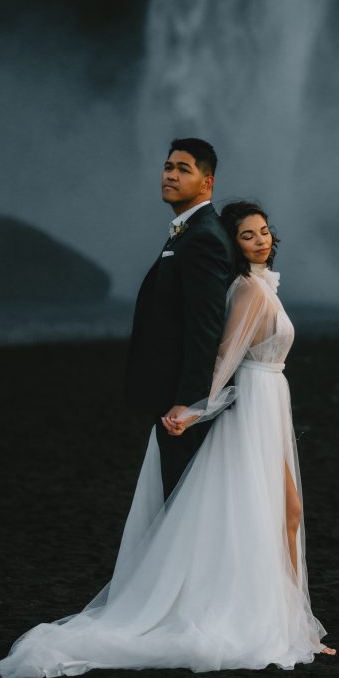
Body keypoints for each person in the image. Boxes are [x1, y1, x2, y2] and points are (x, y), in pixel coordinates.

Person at [0, 197, 334, 678]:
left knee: (285, 511)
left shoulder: (258, 287)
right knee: (281, 512)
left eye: (264, 232)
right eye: (248, 235)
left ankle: (299, 628)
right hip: (254, 404)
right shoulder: (249, 292)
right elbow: (224, 357)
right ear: (234, 246)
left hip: (269, 402)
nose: (261, 240)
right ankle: (293, 630)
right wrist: (196, 408)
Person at [124, 137, 235, 500]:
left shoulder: (204, 238)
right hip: (169, 396)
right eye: (168, 167)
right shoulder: (189, 232)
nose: (170, 175)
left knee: (183, 499)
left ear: (207, 182)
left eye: (182, 169)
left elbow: (206, 326)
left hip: (181, 405)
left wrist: (190, 403)